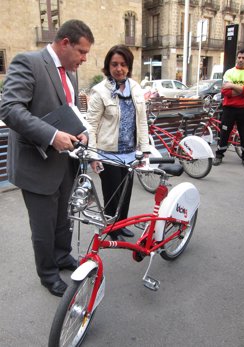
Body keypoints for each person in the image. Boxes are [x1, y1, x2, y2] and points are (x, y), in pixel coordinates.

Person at [0, 20, 94, 297]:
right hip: (36, 165)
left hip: (65, 162)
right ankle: (48, 273)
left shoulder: (72, 73)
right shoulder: (27, 62)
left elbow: (70, 109)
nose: (84, 59)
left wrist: (82, 131)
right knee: (43, 227)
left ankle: (62, 256)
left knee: (63, 219)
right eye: (81, 51)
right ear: (65, 43)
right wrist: (52, 135)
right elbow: (10, 108)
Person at [86, 44, 150, 241]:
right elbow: (91, 126)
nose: (119, 68)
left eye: (123, 64)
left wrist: (145, 149)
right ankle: (111, 229)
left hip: (130, 153)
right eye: (114, 64)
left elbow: (142, 120)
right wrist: (93, 156)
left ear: (129, 66)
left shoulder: (136, 88)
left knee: (126, 193)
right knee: (112, 194)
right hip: (108, 154)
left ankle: (122, 225)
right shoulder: (99, 91)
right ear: (108, 66)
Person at [213, 48, 244, 169]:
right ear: (237, 58)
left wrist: (232, 85)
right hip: (229, 109)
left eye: (243, 58)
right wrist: (242, 90)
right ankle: (219, 155)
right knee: (224, 132)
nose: (241, 60)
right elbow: (225, 92)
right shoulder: (229, 72)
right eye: (239, 57)